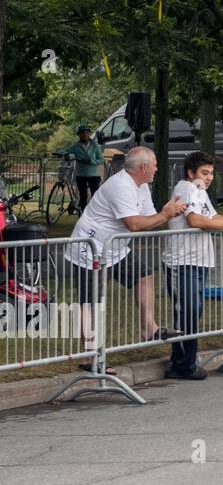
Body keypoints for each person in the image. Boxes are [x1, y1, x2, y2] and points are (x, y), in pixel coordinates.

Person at [65, 147, 188, 374]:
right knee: (91, 302)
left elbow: (149, 219)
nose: (156, 169)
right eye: (155, 165)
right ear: (143, 167)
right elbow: (133, 224)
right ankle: (90, 356)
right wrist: (165, 214)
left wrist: (169, 214)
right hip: (90, 249)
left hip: (115, 248)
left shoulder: (141, 186)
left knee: (144, 273)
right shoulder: (121, 186)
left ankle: (149, 328)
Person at [163, 151, 223, 380]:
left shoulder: (199, 191)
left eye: (211, 173)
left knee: (194, 311)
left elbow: (212, 217)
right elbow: (195, 220)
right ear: (191, 173)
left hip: (198, 260)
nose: (209, 177)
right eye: (204, 172)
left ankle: (182, 363)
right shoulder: (186, 188)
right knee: (187, 313)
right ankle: (184, 365)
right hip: (182, 261)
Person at [60, 124, 105, 213]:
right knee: (83, 195)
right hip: (81, 174)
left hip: (93, 175)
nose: (84, 135)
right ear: (79, 135)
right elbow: (61, 150)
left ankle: (95, 213)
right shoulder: (76, 146)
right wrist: (65, 154)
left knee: (95, 195)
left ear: (89, 134)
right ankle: (83, 214)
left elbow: (101, 160)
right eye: (82, 133)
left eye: (86, 133)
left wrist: (91, 161)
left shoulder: (95, 146)